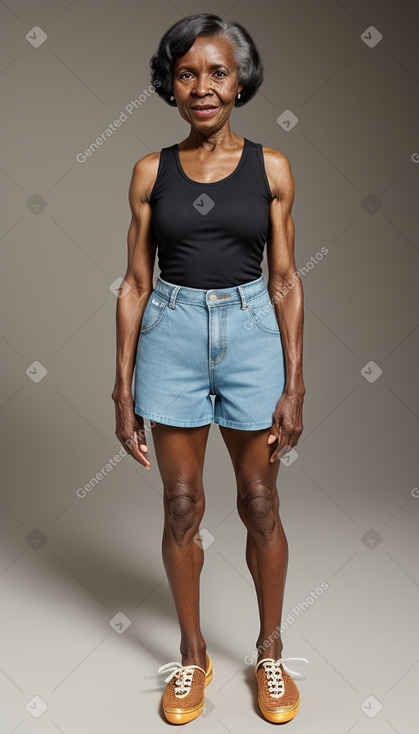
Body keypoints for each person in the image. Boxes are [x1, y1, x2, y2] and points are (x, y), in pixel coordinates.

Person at [111, 12, 307, 725]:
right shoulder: (148, 172)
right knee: (181, 504)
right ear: (170, 83)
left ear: (240, 81)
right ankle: (192, 660)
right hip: (172, 331)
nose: (202, 87)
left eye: (217, 72)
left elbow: (285, 280)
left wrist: (293, 381)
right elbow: (133, 283)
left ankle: (271, 654)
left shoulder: (273, 168)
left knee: (259, 502)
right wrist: (121, 381)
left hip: (250, 331)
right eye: (186, 73)